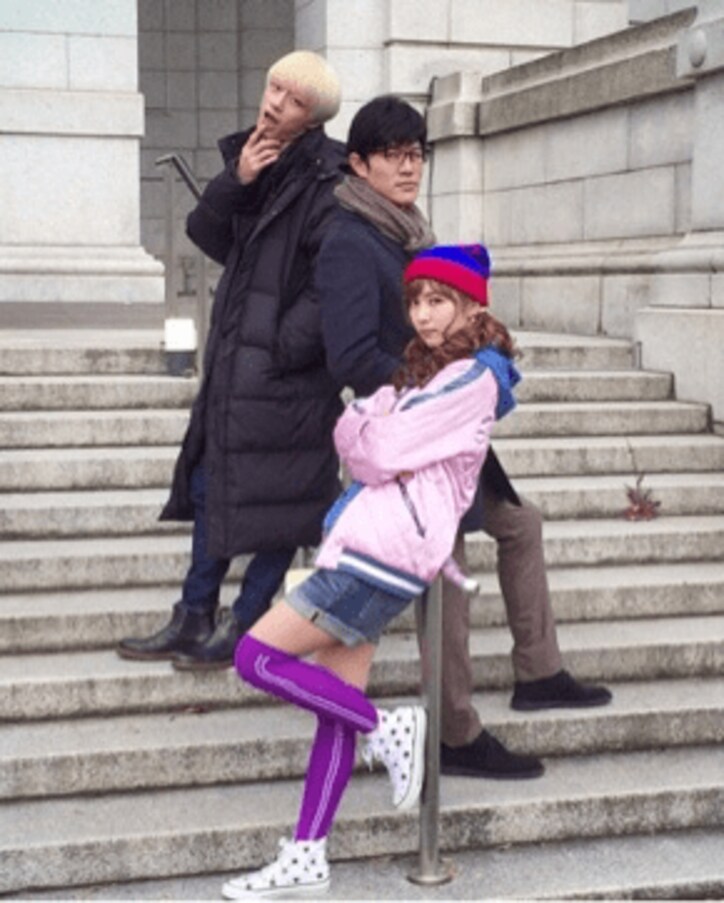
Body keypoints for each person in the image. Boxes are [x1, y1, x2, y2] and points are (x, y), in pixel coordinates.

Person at [316, 95, 612, 780]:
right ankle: (453, 731)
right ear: (358, 164)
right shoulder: (348, 242)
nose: (409, 166)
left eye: (416, 153)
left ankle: (539, 671)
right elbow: (350, 356)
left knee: (520, 524)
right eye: (393, 154)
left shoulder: (408, 233)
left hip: (447, 427)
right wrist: (437, 383)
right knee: (443, 566)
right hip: (415, 433)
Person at [221, 243, 522, 900]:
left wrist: (374, 425)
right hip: (375, 541)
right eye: (415, 301)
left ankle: (386, 727)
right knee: (334, 709)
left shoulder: (475, 377)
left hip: (384, 550)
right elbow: (357, 434)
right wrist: (372, 424)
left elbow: (379, 445)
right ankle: (308, 852)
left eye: (439, 300)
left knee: (254, 657)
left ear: (474, 306)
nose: (423, 314)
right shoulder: (424, 373)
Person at [117, 51, 346, 670]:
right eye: (274, 87)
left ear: (313, 117)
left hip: (287, 375)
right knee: (211, 484)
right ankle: (194, 613)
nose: (274, 104)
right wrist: (237, 180)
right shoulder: (257, 158)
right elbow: (208, 234)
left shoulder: (328, 176)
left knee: (284, 499)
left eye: (294, 100)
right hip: (236, 366)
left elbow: (329, 284)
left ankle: (245, 622)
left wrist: (277, 348)